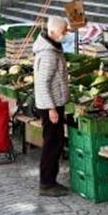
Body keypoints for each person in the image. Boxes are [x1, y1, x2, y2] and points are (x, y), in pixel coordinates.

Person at [33, 16, 71, 196]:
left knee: (55, 142)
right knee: (52, 144)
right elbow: (42, 83)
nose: (65, 34)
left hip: (54, 103)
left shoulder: (52, 49)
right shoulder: (48, 54)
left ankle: (50, 180)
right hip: (51, 105)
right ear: (53, 32)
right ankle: (47, 183)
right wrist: (51, 108)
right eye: (64, 31)